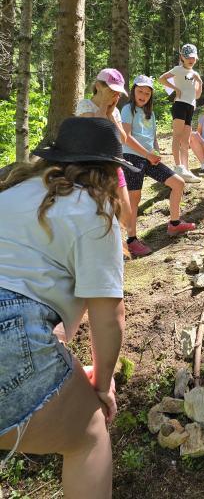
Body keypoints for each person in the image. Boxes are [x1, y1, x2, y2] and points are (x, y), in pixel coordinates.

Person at [0, 117, 133, 498]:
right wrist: (102, 385)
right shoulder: (93, 211)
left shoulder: (11, 191)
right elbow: (109, 318)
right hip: (11, 335)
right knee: (89, 435)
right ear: (109, 172)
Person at [121, 75, 196, 242]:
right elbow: (125, 137)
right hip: (132, 157)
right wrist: (147, 154)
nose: (143, 95)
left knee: (178, 183)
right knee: (134, 197)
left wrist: (156, 151)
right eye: (140, 91)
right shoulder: (127, 109)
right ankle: (132, 240)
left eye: (147, 93)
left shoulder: (151, 113)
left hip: (149, 158)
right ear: (133, 91)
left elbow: (153, 136)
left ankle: (174, 224)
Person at [76, 67, 136, 256]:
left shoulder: (115, 111)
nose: (114, 96)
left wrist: (111, 114)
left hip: (114, 163)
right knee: (99, 209)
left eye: (117, 92)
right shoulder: (85, 106)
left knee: (125, 210)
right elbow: (96, 131)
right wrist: (103, 107)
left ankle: (120, 245)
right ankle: (103, 250)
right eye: (111, 90)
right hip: (91, 167)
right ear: (98, 86)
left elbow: (123, 139)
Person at [158, 43, 202, 183]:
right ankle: (178, 166)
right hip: (180, 105)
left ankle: (186, 169)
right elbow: (161, 78)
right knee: (177, 136)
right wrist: (175, 88)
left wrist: (200, 82)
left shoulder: (194, 74)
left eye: (193, 58)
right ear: (182, 57)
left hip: (190, 107)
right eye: (188, 57)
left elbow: (197, 95)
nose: (191, 60)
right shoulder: (178, 69)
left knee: (186, 140)